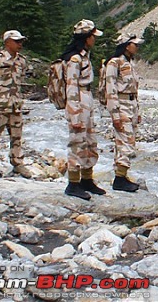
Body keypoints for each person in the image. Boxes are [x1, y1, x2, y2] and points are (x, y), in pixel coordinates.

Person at [62, 19, 105, 200]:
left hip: (86, 98)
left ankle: (87, 179)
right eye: (92, 36)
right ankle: (73, 183)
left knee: (89, 141)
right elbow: (71, 86)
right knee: (77, 141)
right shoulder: (74, 59)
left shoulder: (84, 56)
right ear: (86, 38)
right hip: (78, 100)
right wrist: (75, 113)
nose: (94, 40)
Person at [0, 30, 31, 179]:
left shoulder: (21, 61)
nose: (20, 44)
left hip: (15, 105)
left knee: (16, 136)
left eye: (21, 41)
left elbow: (20, 80)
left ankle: (17, 163)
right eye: (17, 41)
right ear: (7, 42)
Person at [104, 34, 145, 192]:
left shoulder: (130, 63)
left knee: (129, 140)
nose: (137, 47)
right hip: (121, 105)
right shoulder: (114, 63)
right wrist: (115, 114)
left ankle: (121, 174)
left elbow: (134, 89)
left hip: (131, 105)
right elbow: (111, 89)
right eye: (135, 44)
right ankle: (119, 179)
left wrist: (138, 110)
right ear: (127, 46)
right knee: (124, 141)